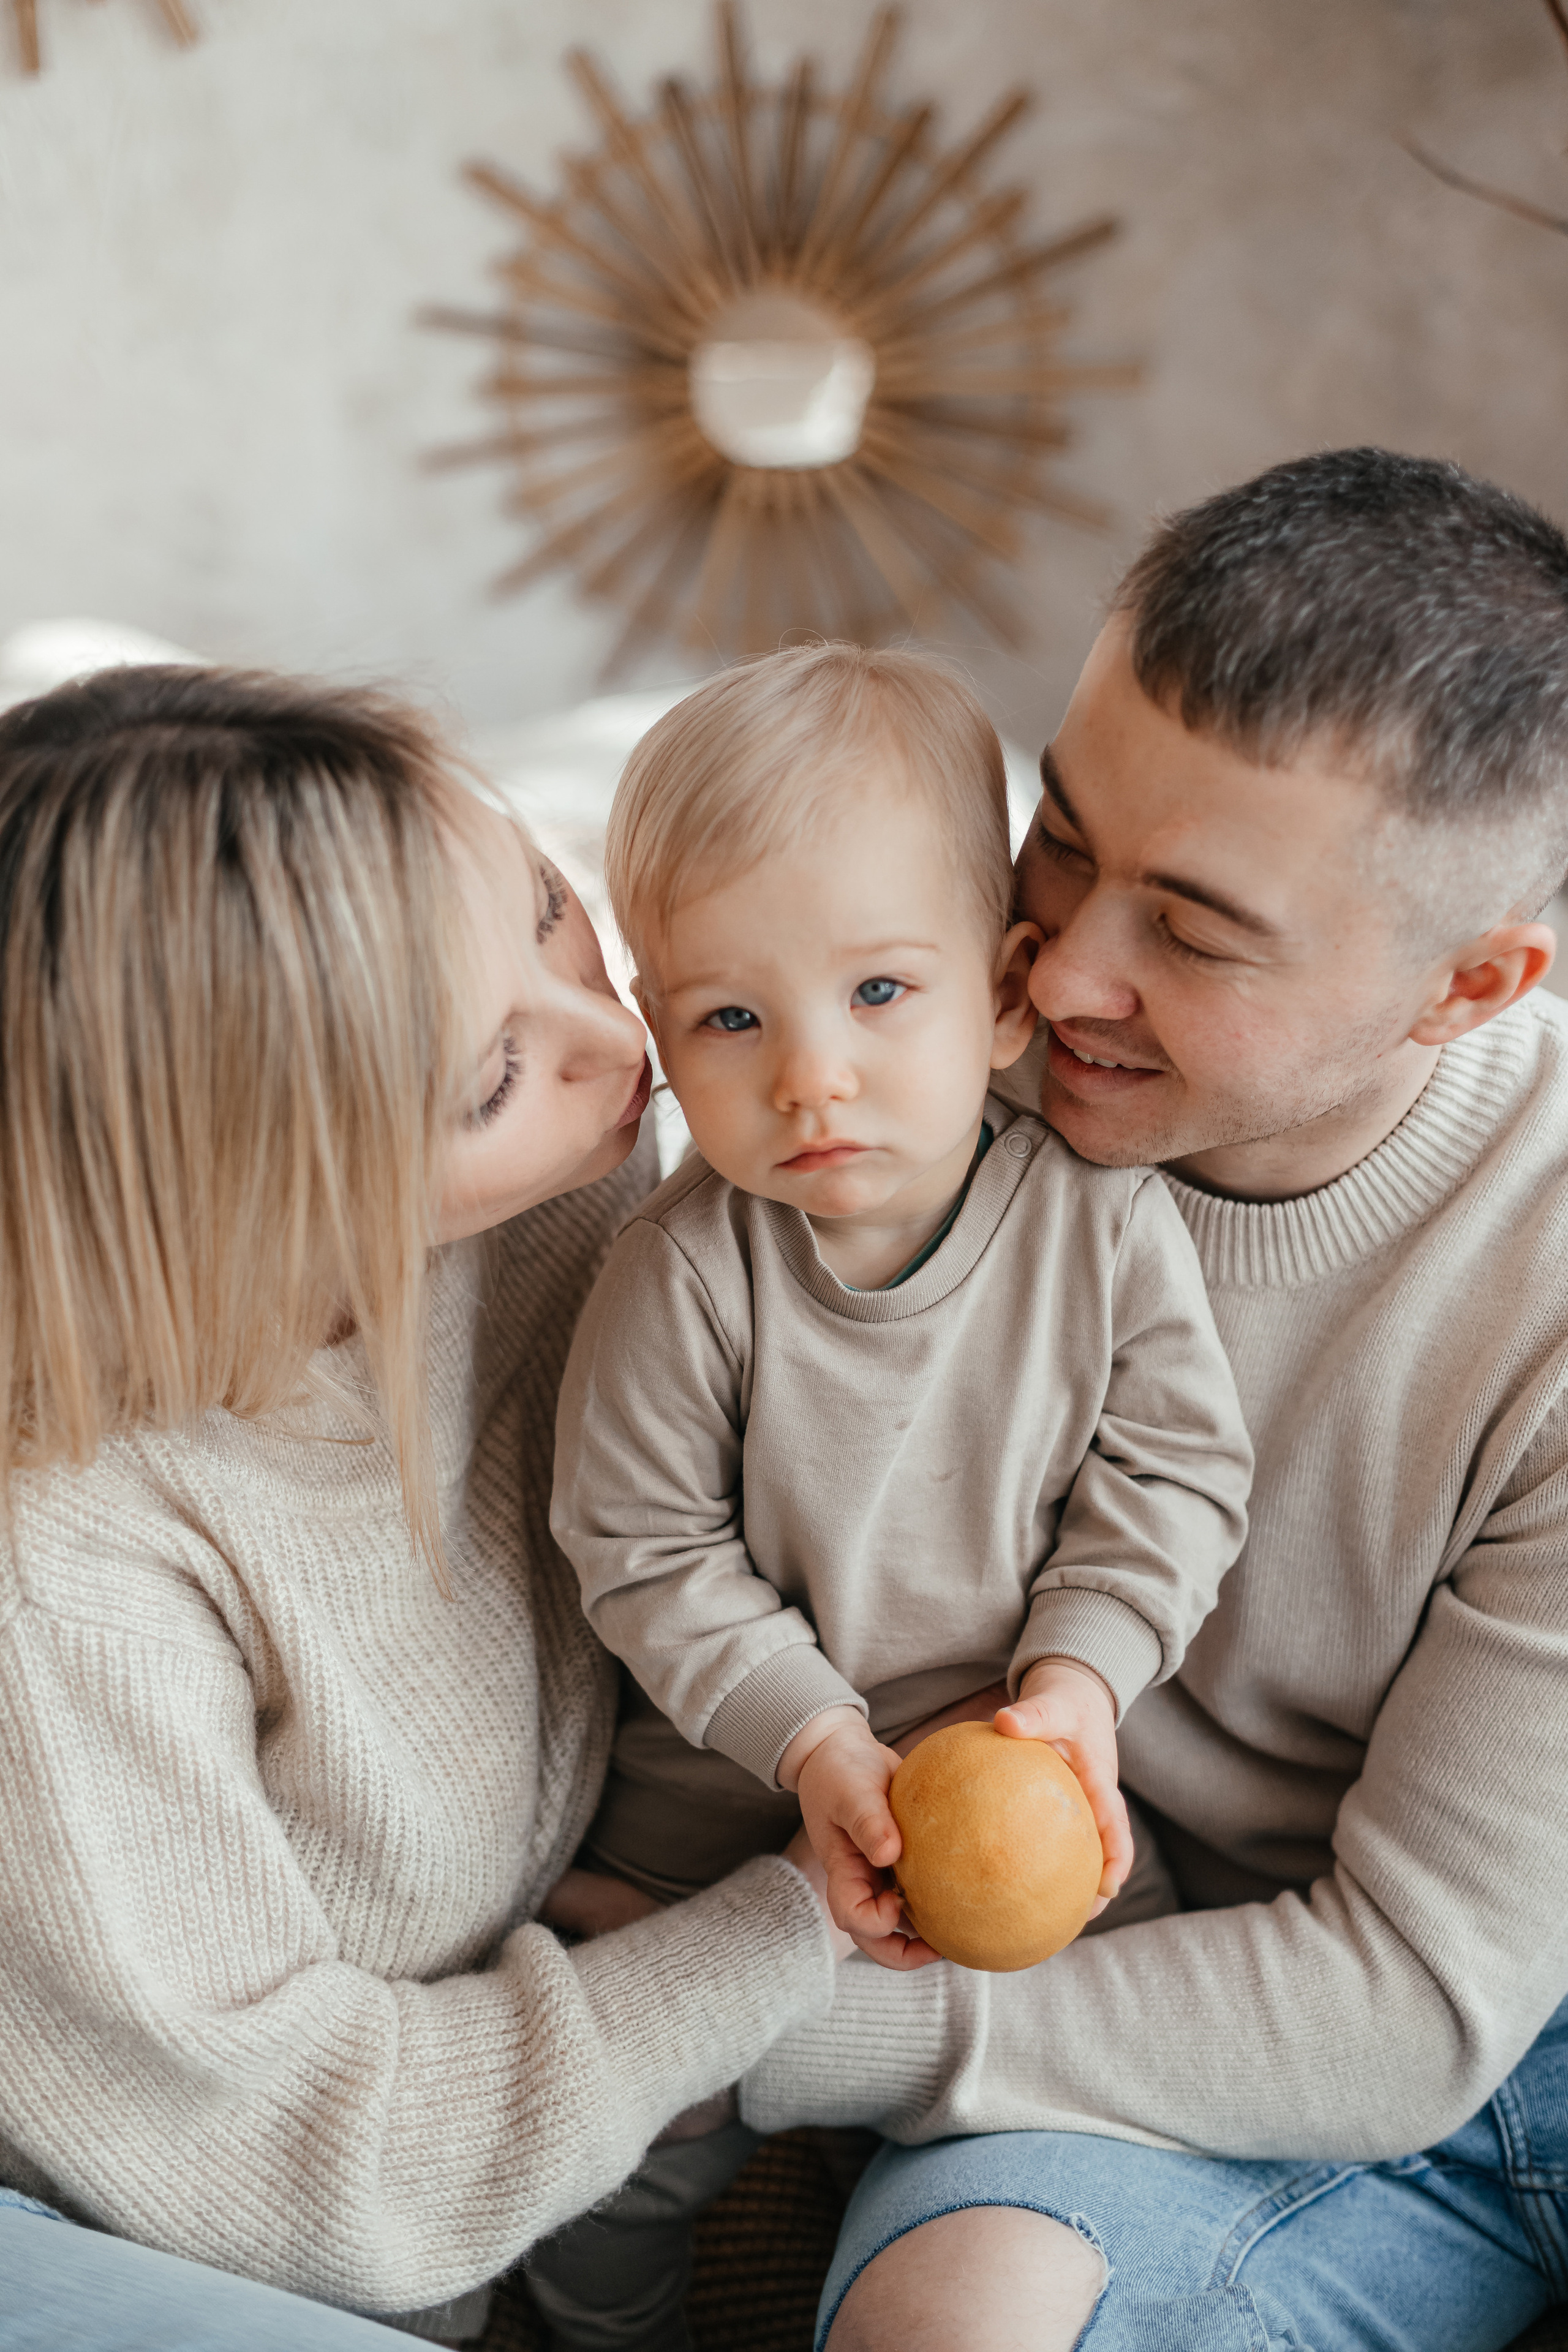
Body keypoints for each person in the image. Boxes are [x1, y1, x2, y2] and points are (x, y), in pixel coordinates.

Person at [726, 450, 1568, 2352]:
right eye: (1063, 835)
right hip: (1182, 2009)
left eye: (1193, 929)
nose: (1067, 966)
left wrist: (760, 2026)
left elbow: (1422, 2002)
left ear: (1473, 986)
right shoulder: (908, 1093)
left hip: (1465, 1981)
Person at [0, 665, 843, 2348]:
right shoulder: (65, 1582)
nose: (627, 1044)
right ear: (255, 1190)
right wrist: (774, 1938)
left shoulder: (571, 1189)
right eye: (487, 1082)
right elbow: (316, 2178)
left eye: (548, 907)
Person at [551, 644, 1250, 1959]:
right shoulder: (687, 1268)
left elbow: (1172, 1479)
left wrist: (1078, 1681)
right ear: (657, 1034)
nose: (812, 1077)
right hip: (717, 1800)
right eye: (729, 1020)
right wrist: (813, 1742)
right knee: (637, 2037)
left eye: (877, 993)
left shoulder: (1096, 1220)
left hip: (1021, 1765)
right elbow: (643, 1551)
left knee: (1087, 1987)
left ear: (1000, 995)